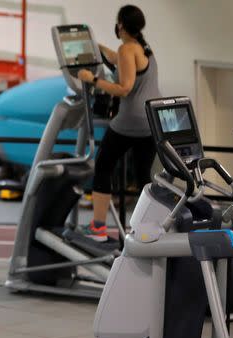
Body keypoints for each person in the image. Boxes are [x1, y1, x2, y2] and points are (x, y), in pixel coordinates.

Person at [77, 4, 161, 241]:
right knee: (144, 175)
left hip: (129, 121)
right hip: (150, 122)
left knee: (103, 166)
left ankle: (98, 228)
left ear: (121, 25)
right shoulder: (143, 48)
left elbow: (124, 88)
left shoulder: (126, 49)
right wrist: (96, 47)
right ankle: (147, 230)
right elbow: (122, 62)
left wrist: (91, 78)